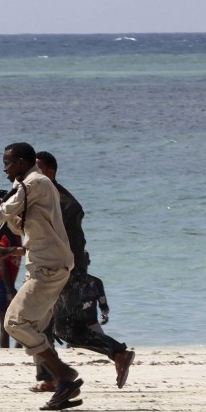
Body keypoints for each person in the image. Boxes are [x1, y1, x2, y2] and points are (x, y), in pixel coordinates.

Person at [0, 142, 83, 411]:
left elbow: (0, 215)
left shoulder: (30, 183)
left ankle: (64, 376)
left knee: (14, 323)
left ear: (22, 162)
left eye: (8, 163)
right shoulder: (39, 184)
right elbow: (19, 224)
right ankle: (61, 384)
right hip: (52, 264)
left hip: (46, 266)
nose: (4, 168)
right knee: (30, 326)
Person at [36, 152, 135, 390]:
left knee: (69, 332)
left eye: (37, 171)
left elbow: (60, 241)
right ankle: (50, 377)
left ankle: (118, 353)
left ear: (50, 173)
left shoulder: (63, 203)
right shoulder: (48, 199)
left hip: (68, 273)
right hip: (57, 270)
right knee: (43, 323)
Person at [0, 229, 23, 348]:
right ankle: (11, 353)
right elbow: (2, 262)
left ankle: (14, 352)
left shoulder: (17, 236)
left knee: (17, 321)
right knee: (15, 321)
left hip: (1, 282)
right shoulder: (7, 235)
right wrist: (9, 290)